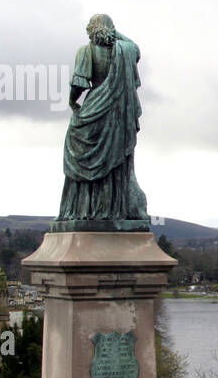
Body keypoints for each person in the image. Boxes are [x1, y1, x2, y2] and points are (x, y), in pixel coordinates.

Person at [54, 14, 149, 228]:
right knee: (115, 164)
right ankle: (113, 209)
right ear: (111, 29)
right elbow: (135, 47)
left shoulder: (86, 51)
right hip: (117, 115)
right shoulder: (124, 51)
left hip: (93, 110)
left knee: (79, 158)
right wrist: (113, 32)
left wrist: (72, 102)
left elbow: (79, 82)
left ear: (92, 29)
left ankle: (82, 210)